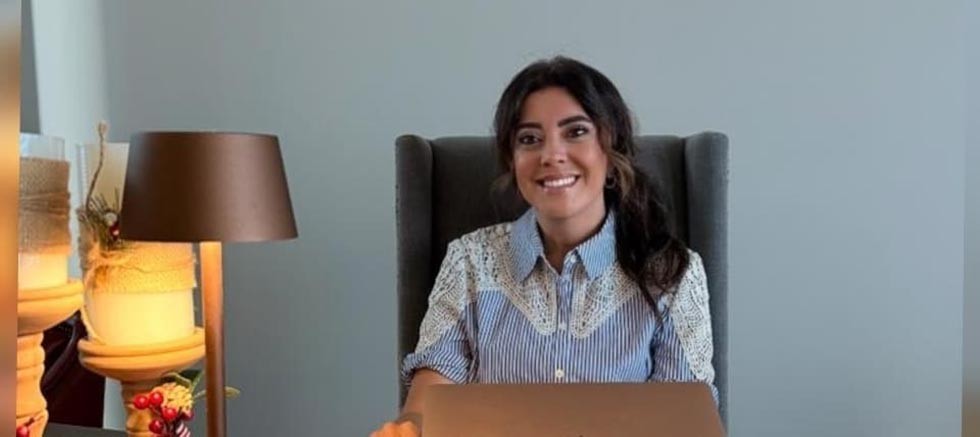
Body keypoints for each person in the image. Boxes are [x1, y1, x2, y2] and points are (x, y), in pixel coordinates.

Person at [370, 56, 715, 437]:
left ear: (611, 149)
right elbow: (430, 396)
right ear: (512, 161)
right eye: (529, 139)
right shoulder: (470, 260)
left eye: (576, 132)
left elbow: (683, 422)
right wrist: (409, 429)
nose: (551, 156)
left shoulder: (673, 273)